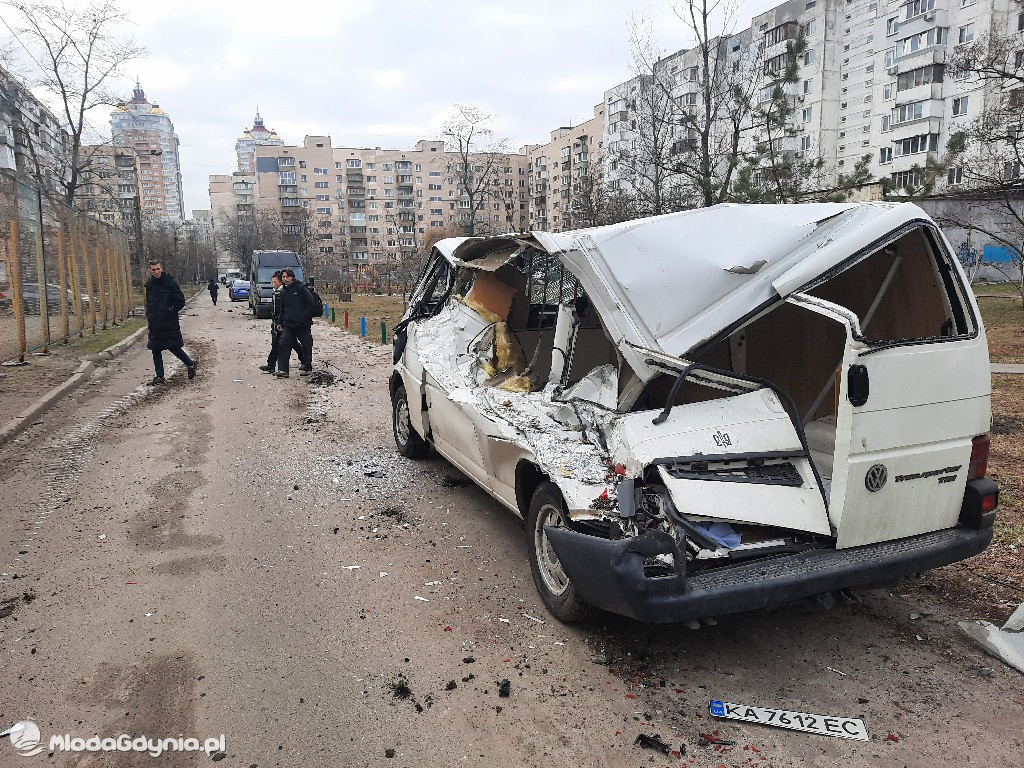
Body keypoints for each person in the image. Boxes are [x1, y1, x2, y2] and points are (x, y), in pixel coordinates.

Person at [144, 259, 196, 385]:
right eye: (153, 270)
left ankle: (190, 364)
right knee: (156, 349)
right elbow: (149, 303)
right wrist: (150, 315)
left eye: (158, 269)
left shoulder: (169, 282)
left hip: (168, 322)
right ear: (149, 271)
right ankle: (160, 376)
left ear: (161, 268)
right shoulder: (149, 285)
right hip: (155, 323)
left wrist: (169, 311)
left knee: (173, 346)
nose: (156, 272)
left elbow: (180, 301)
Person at [274, 267, 315, 378]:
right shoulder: (283, 291)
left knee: (306, 345)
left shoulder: (301, 289)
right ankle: (283, 370)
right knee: (283, 345)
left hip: (303, 325)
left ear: (292, 277)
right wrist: (280, 322)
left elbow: (311, 303)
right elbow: (282, 309)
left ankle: (307, 367)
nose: (285, 279)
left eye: (287, 276)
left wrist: (303, 316)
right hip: (288, 324)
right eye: (283, 277)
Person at [258, 271, 302, 374]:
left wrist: (280, 322)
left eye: (275, 282)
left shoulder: (283, 293)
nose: (273, 284)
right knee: (279, 344)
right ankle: (271, 365)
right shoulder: (276, 292)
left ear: (281, 282)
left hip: (284, 323)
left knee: (288, 344)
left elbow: (282, 310)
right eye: (272, 282)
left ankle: (303, 360)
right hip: (278, 323)